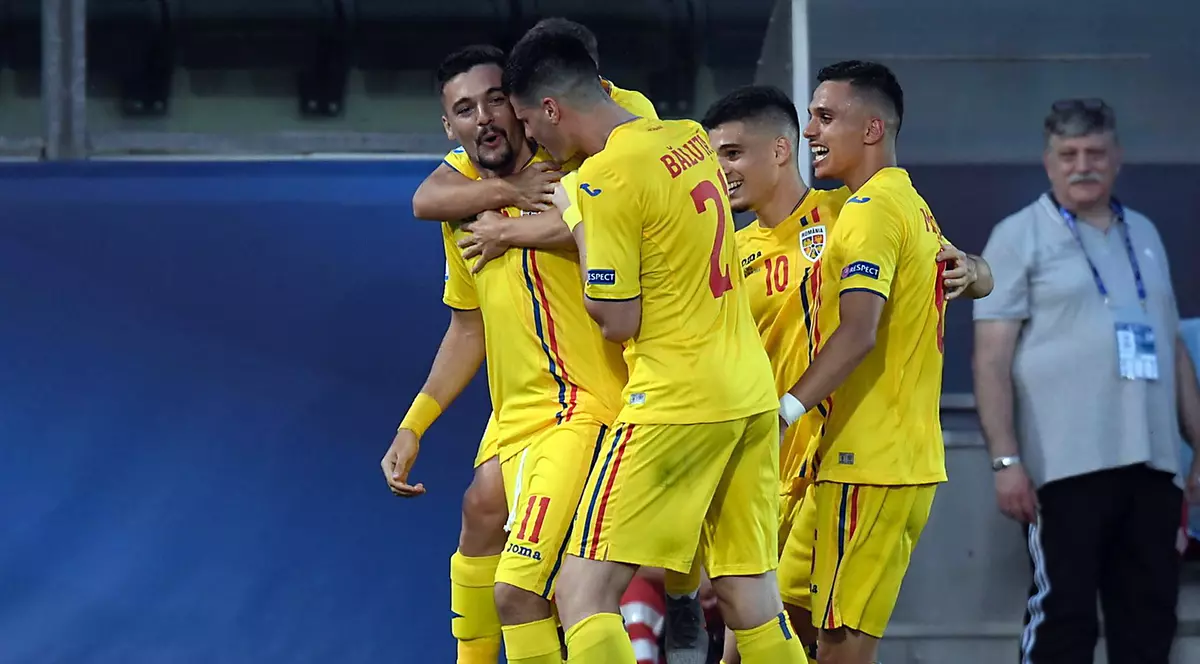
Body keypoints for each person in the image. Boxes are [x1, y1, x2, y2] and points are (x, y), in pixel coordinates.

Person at [503, 30, 806, 664]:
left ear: (551, 108)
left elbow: (617, 318)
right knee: (750, 593)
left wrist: (579, 220)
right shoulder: (687, 137)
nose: (532, 139)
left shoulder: (604, 179)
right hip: (750, 394)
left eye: (529, 123)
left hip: (675, 400)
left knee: (581, 590)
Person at [701, 84, 992, 664]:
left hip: (831, 458)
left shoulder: (848, 212)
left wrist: (973, 270)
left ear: (779, 150)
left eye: (732, 154)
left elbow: (961, 268)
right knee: (749, 648)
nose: (721, 172)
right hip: (766, 471)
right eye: (713, 159)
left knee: (823, 643)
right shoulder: (726, 252)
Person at [379, 44, 629, 664]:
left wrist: (516, 214)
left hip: (582, 405)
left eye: (496, 100)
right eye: (465, 109)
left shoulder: (570, 163)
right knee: (479, 511)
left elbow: (621, 184)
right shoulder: (464, 201)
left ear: (521, 104)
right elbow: (468, 329)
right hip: (517, 414)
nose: (485, 118)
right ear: (449, 128)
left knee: (526, 591)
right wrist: (413, 427)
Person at [973, 98, 1200, 664]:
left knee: (1150, 620)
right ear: (1048, 162)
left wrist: (1199, 444)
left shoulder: (1143, 232)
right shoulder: (1018, 235)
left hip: (1153, 467)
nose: (1082, 166)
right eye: (1068, 154)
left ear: (1116, 157)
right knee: (1063, 620)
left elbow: (1171, 346)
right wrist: (1006, 462)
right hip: (1063, 469)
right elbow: (990, 359)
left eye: (1095, 152)